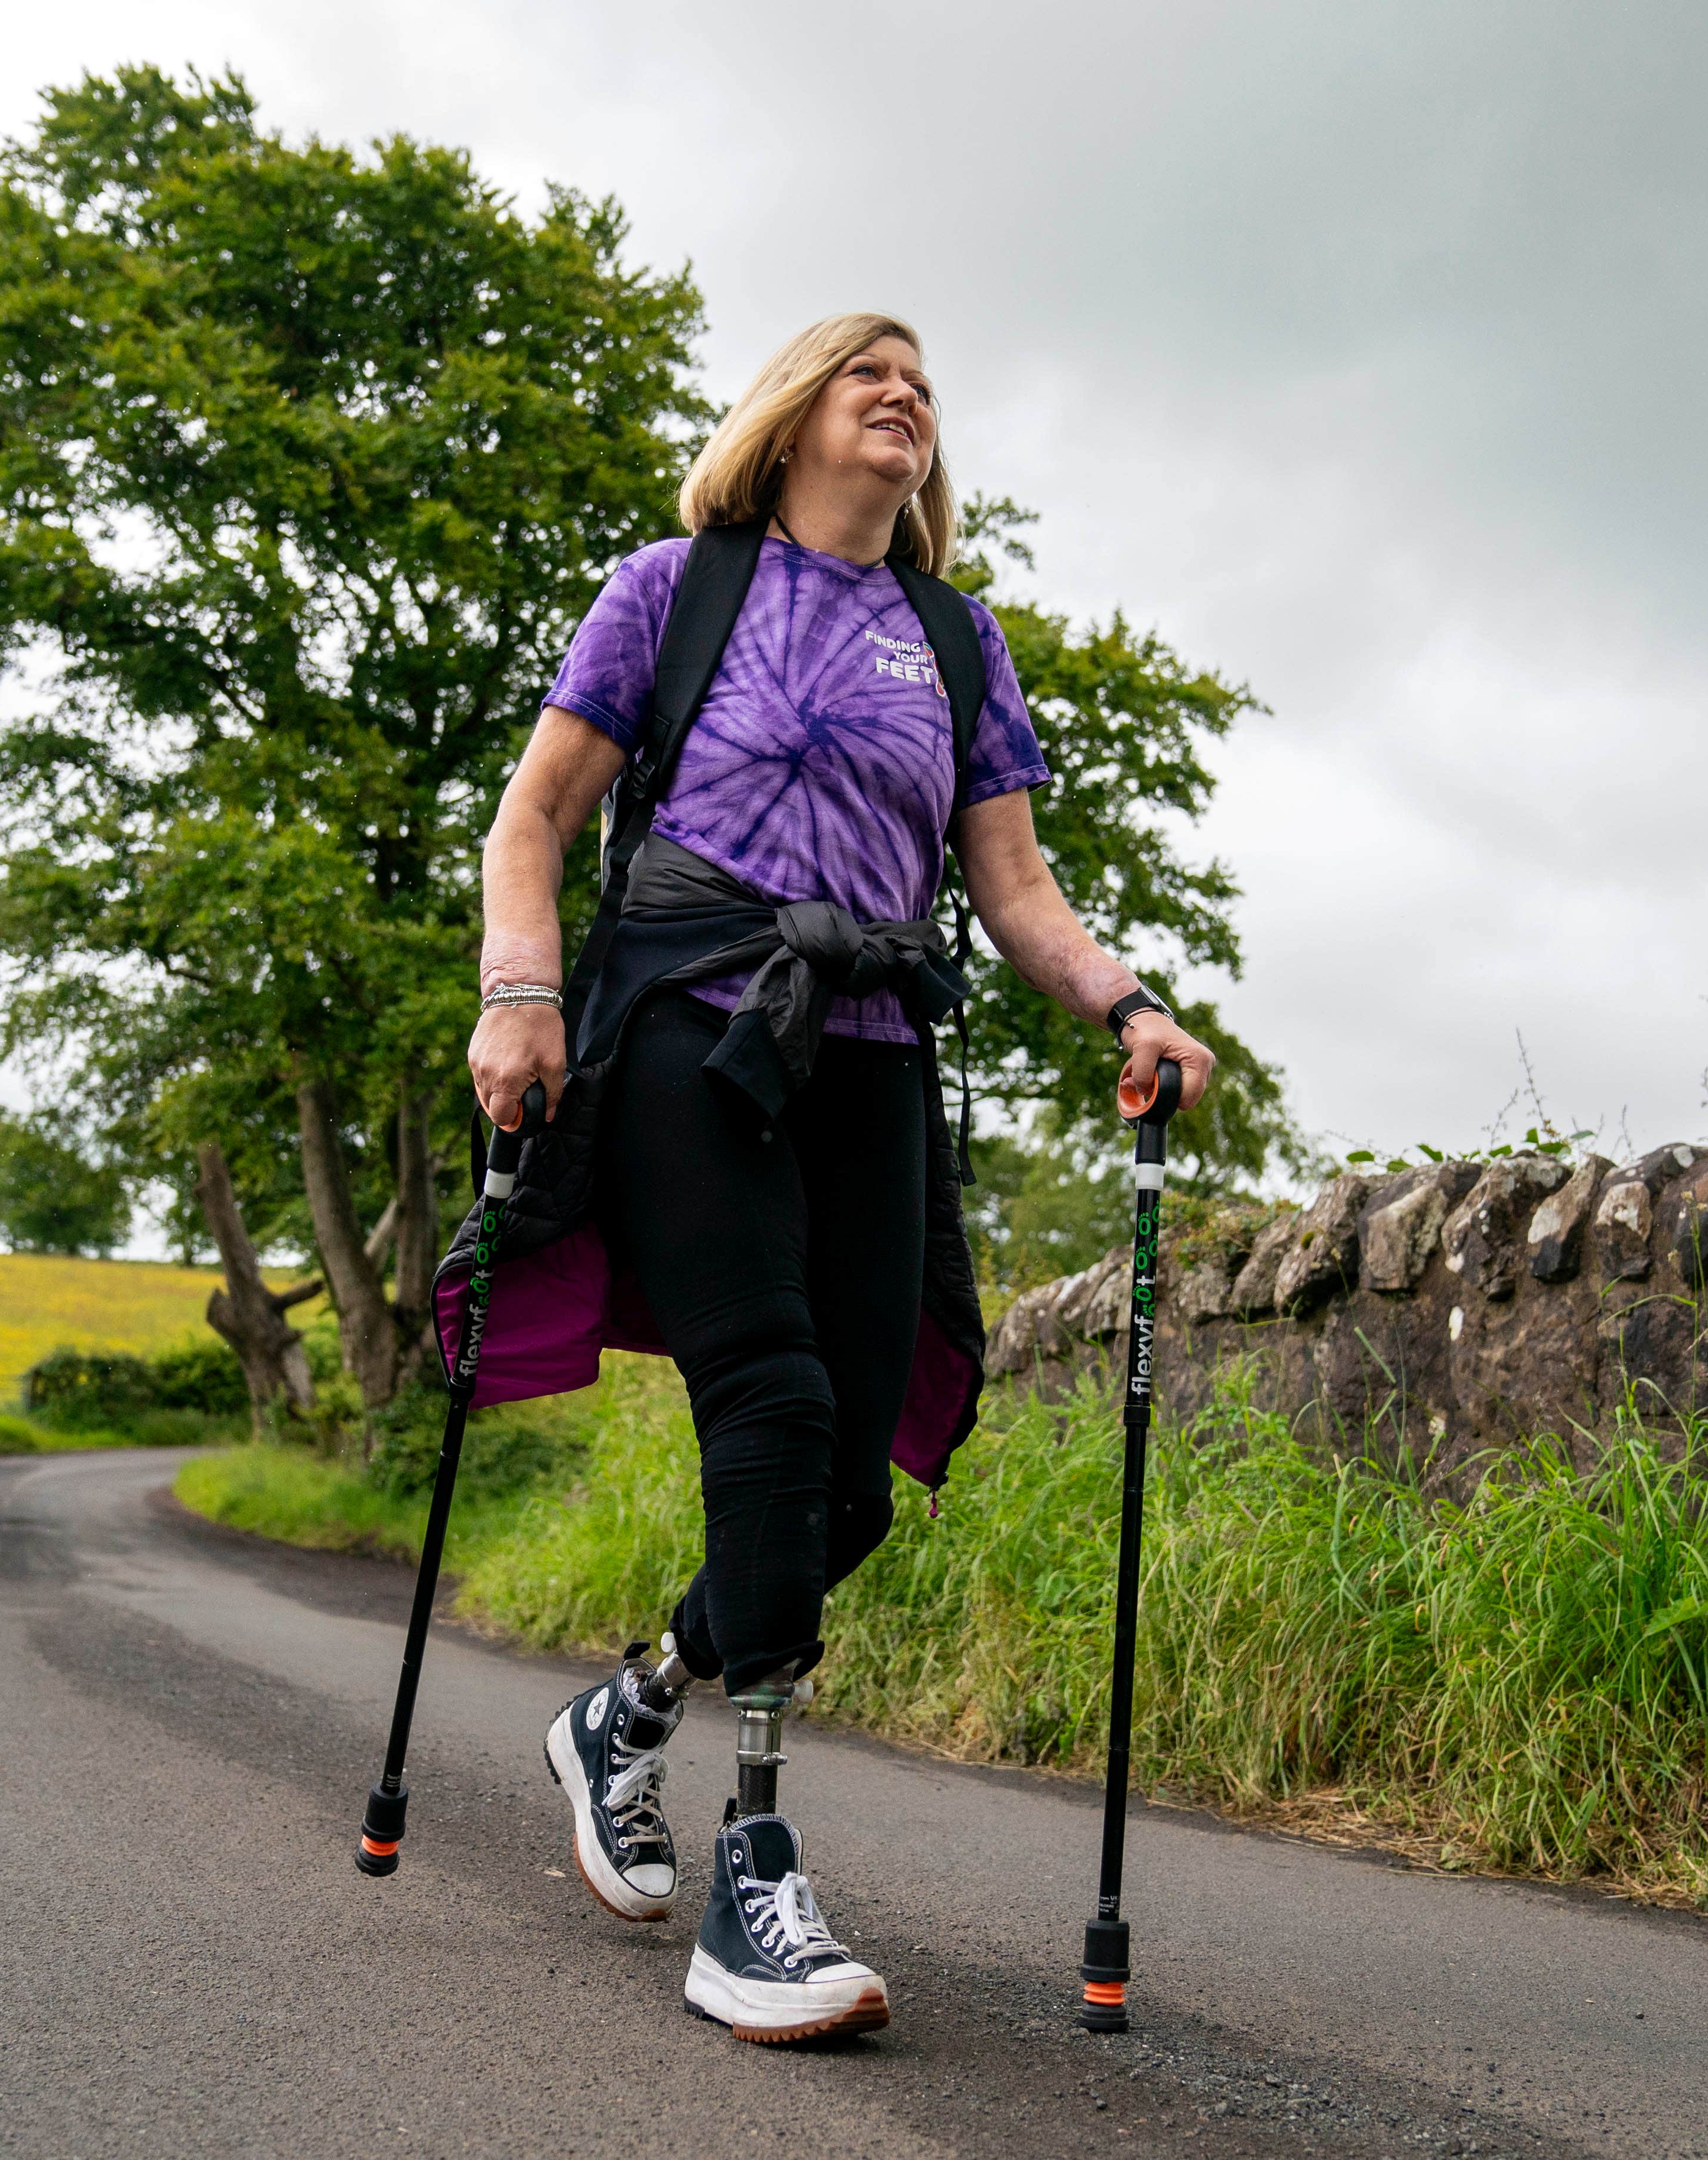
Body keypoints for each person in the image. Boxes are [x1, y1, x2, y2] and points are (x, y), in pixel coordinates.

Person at [466, 312, 1215, 2044]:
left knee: (853, 1492)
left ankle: (630, 1706)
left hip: (869, 1048)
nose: (902, 395)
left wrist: (1129, 999)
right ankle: (755, 1875)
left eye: (923, 385)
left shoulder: (956, 642)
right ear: (787, 417)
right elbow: (536, 817)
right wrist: (521, 992)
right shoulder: (676, 586)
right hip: (685, 1020)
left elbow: (1014, 891)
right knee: (780, 1407)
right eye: (863, 373)